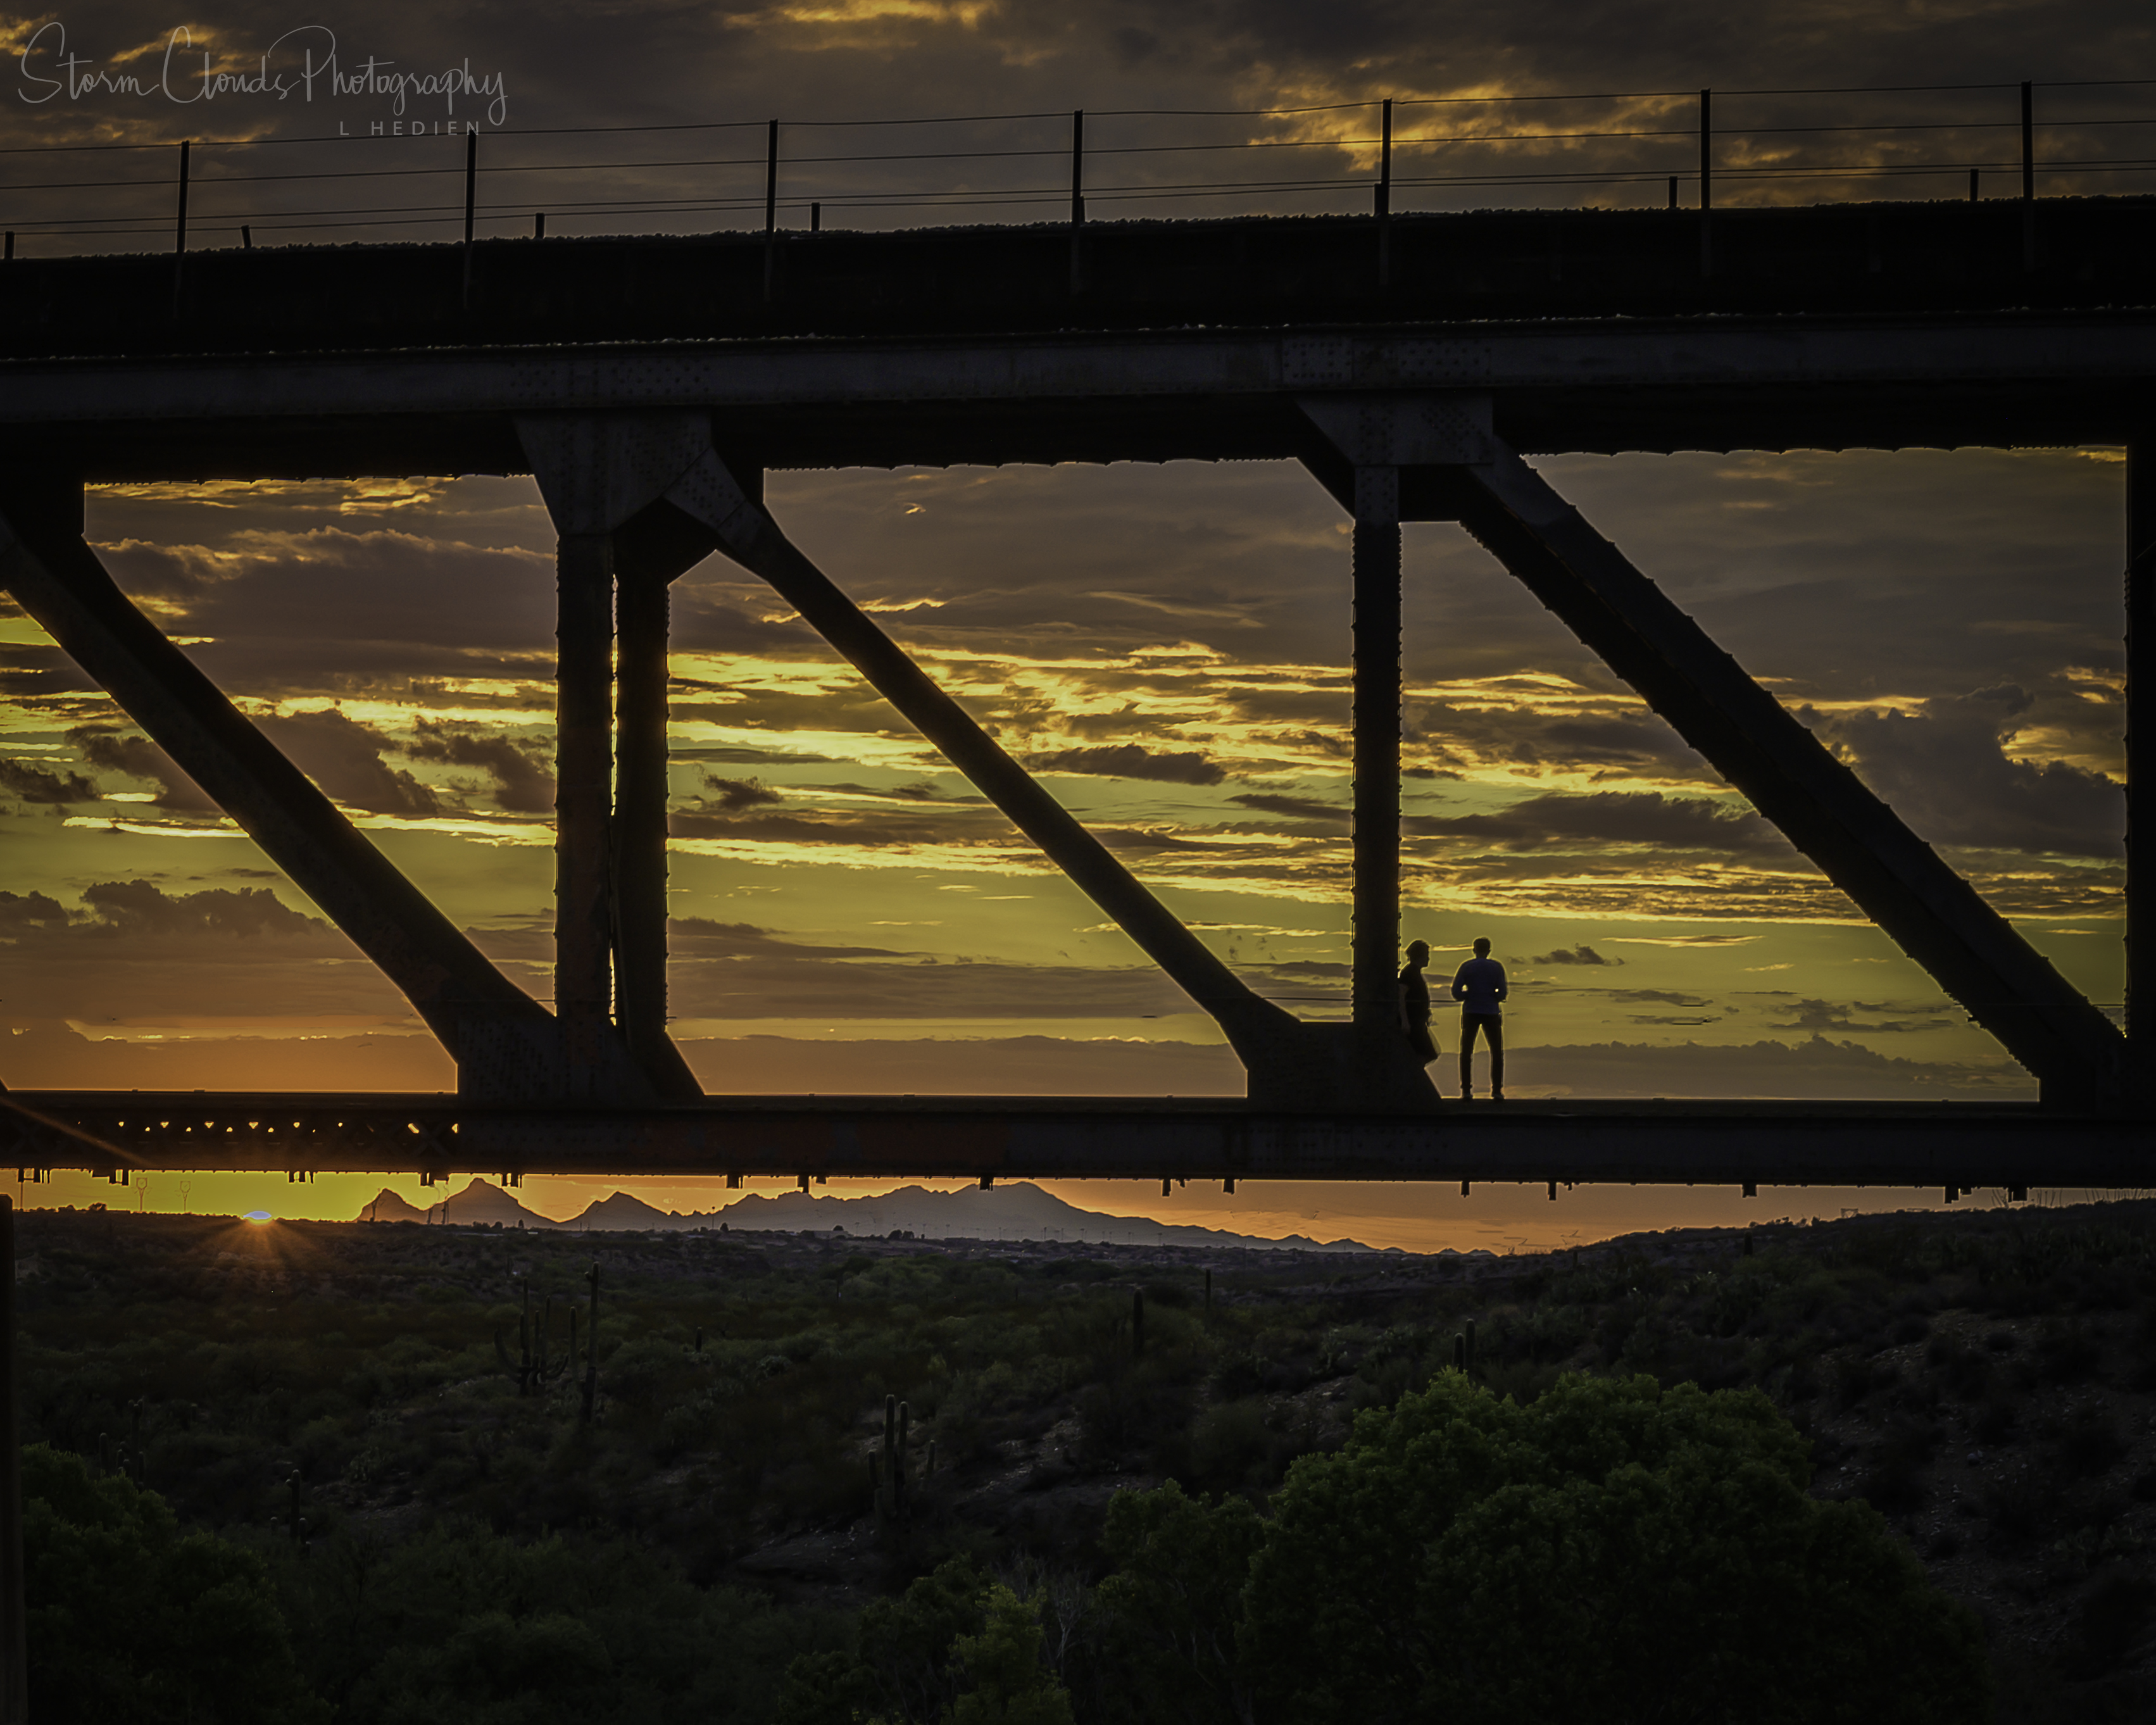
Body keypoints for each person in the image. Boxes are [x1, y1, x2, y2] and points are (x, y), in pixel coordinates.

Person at [1451, 936, 1507, 1101]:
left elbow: (1456, 992)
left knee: (1467, 1052)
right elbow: (1503, 992)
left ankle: (1466, 1091)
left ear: (1474, 949)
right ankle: (1496, 1091)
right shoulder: (1497, 967)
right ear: (1489, 950)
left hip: (1471, 1011)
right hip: (1491, 1012)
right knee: (1497, 1052)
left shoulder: (1466, 967)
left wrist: (1469, 995)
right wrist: (1492, 996)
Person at [1397, 940, 1439, 1067]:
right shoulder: (1409, 973)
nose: (1428, 959)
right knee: (1426, 1053)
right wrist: (1405, 1021)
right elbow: (1401, 995)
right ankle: (1413, 1074)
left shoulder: (1413, 972)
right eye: (1427, 955)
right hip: (1413, 1021)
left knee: (1425, 1053)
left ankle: (1413, 1072)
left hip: (1418, 1021)